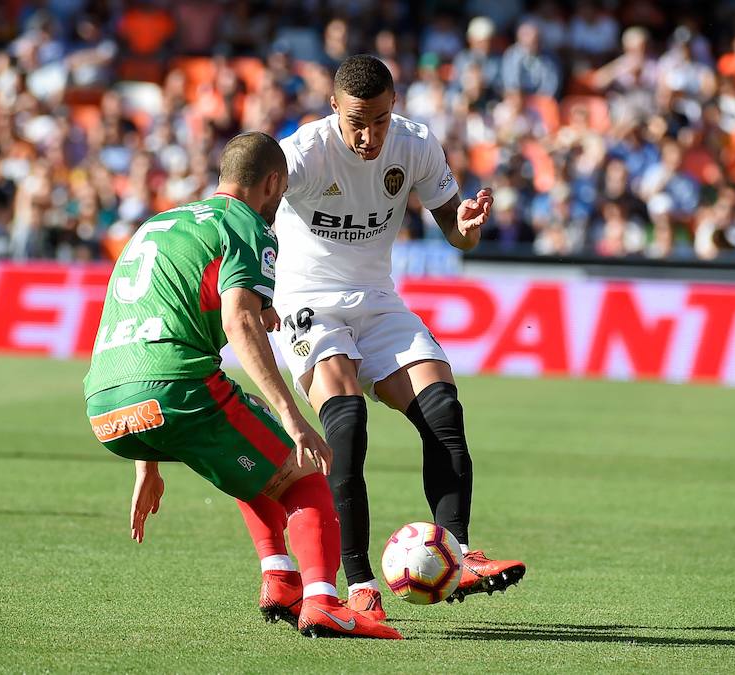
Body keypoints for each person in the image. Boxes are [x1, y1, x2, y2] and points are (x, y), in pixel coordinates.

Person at [82, 131, 401, 640]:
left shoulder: (158, 224)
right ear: (273, 182)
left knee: (253, 439)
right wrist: (296, 418)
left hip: (106, 404)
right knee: (304, 473)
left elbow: (143, 322)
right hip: (177, 389)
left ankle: (279, 575)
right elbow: (240, 322)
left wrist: (148, 458)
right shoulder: (246, 225)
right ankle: (323, 602)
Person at [272, 55, 526, 621]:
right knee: (348, 423)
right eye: (358, 121)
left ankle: (457, 553)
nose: (369, 136)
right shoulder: (303, 154)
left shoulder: (414, 144)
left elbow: (455, 235)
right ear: (333, 106)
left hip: (379, 299)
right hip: (308, 302)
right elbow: (248, 213)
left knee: (443, 410)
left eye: (381, 120)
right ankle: (359, 582)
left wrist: (466, 226)